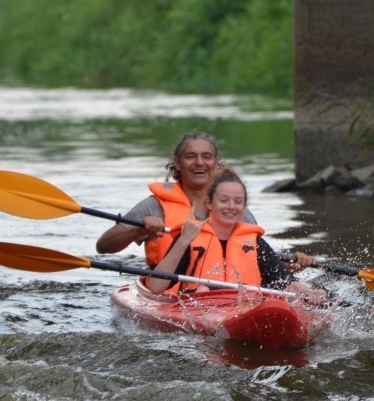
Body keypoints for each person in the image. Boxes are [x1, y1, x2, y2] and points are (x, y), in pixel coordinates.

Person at [96, 131, 317, 270]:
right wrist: (137, 230)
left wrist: (290, 265)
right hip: (170, 289)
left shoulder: (233, 208)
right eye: (190, 156)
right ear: (178, 162)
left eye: (206, 157)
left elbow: (256, 259)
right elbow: (103, 246)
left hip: (225, 293)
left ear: (216, 162)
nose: (199, 163)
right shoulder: (154, 205)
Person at [147, 168, 328, 305]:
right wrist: (184, 240)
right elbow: (155, 287)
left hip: (245, 309)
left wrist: (310, 293)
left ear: (244, 205)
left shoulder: (255, 243)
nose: (231, 207)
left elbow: (286, 283)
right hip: (200, 308)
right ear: (209, 203)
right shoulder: (189, 238)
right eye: (224, 200)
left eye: (238, 201)